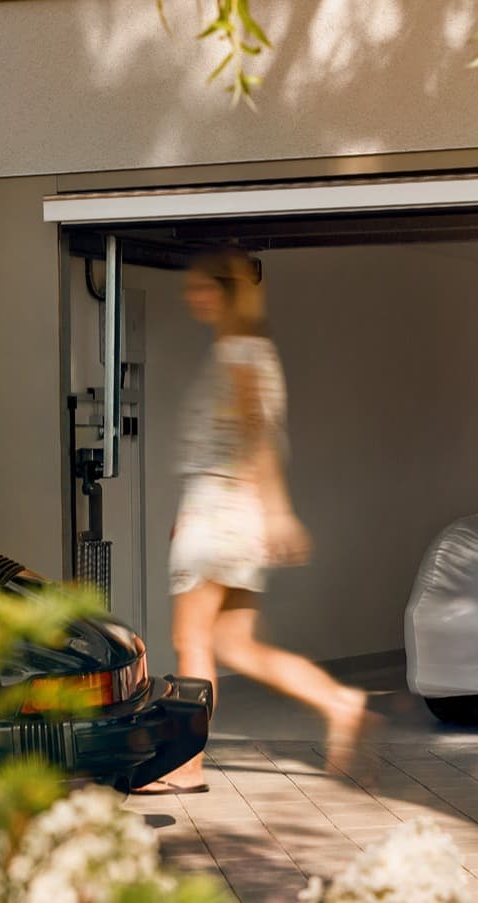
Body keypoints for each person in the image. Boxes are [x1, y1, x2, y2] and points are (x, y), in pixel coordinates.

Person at [134, 248, 374, 794]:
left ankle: (185, 766)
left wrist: (279, 510)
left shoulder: (239, 353)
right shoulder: (246, 351)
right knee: (235, 645)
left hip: (218, 512)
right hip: (228, 515)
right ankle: (339, 700)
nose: (192, 297)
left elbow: (256, 435)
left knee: (189, 640)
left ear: (224, 292)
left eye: (201, 288)